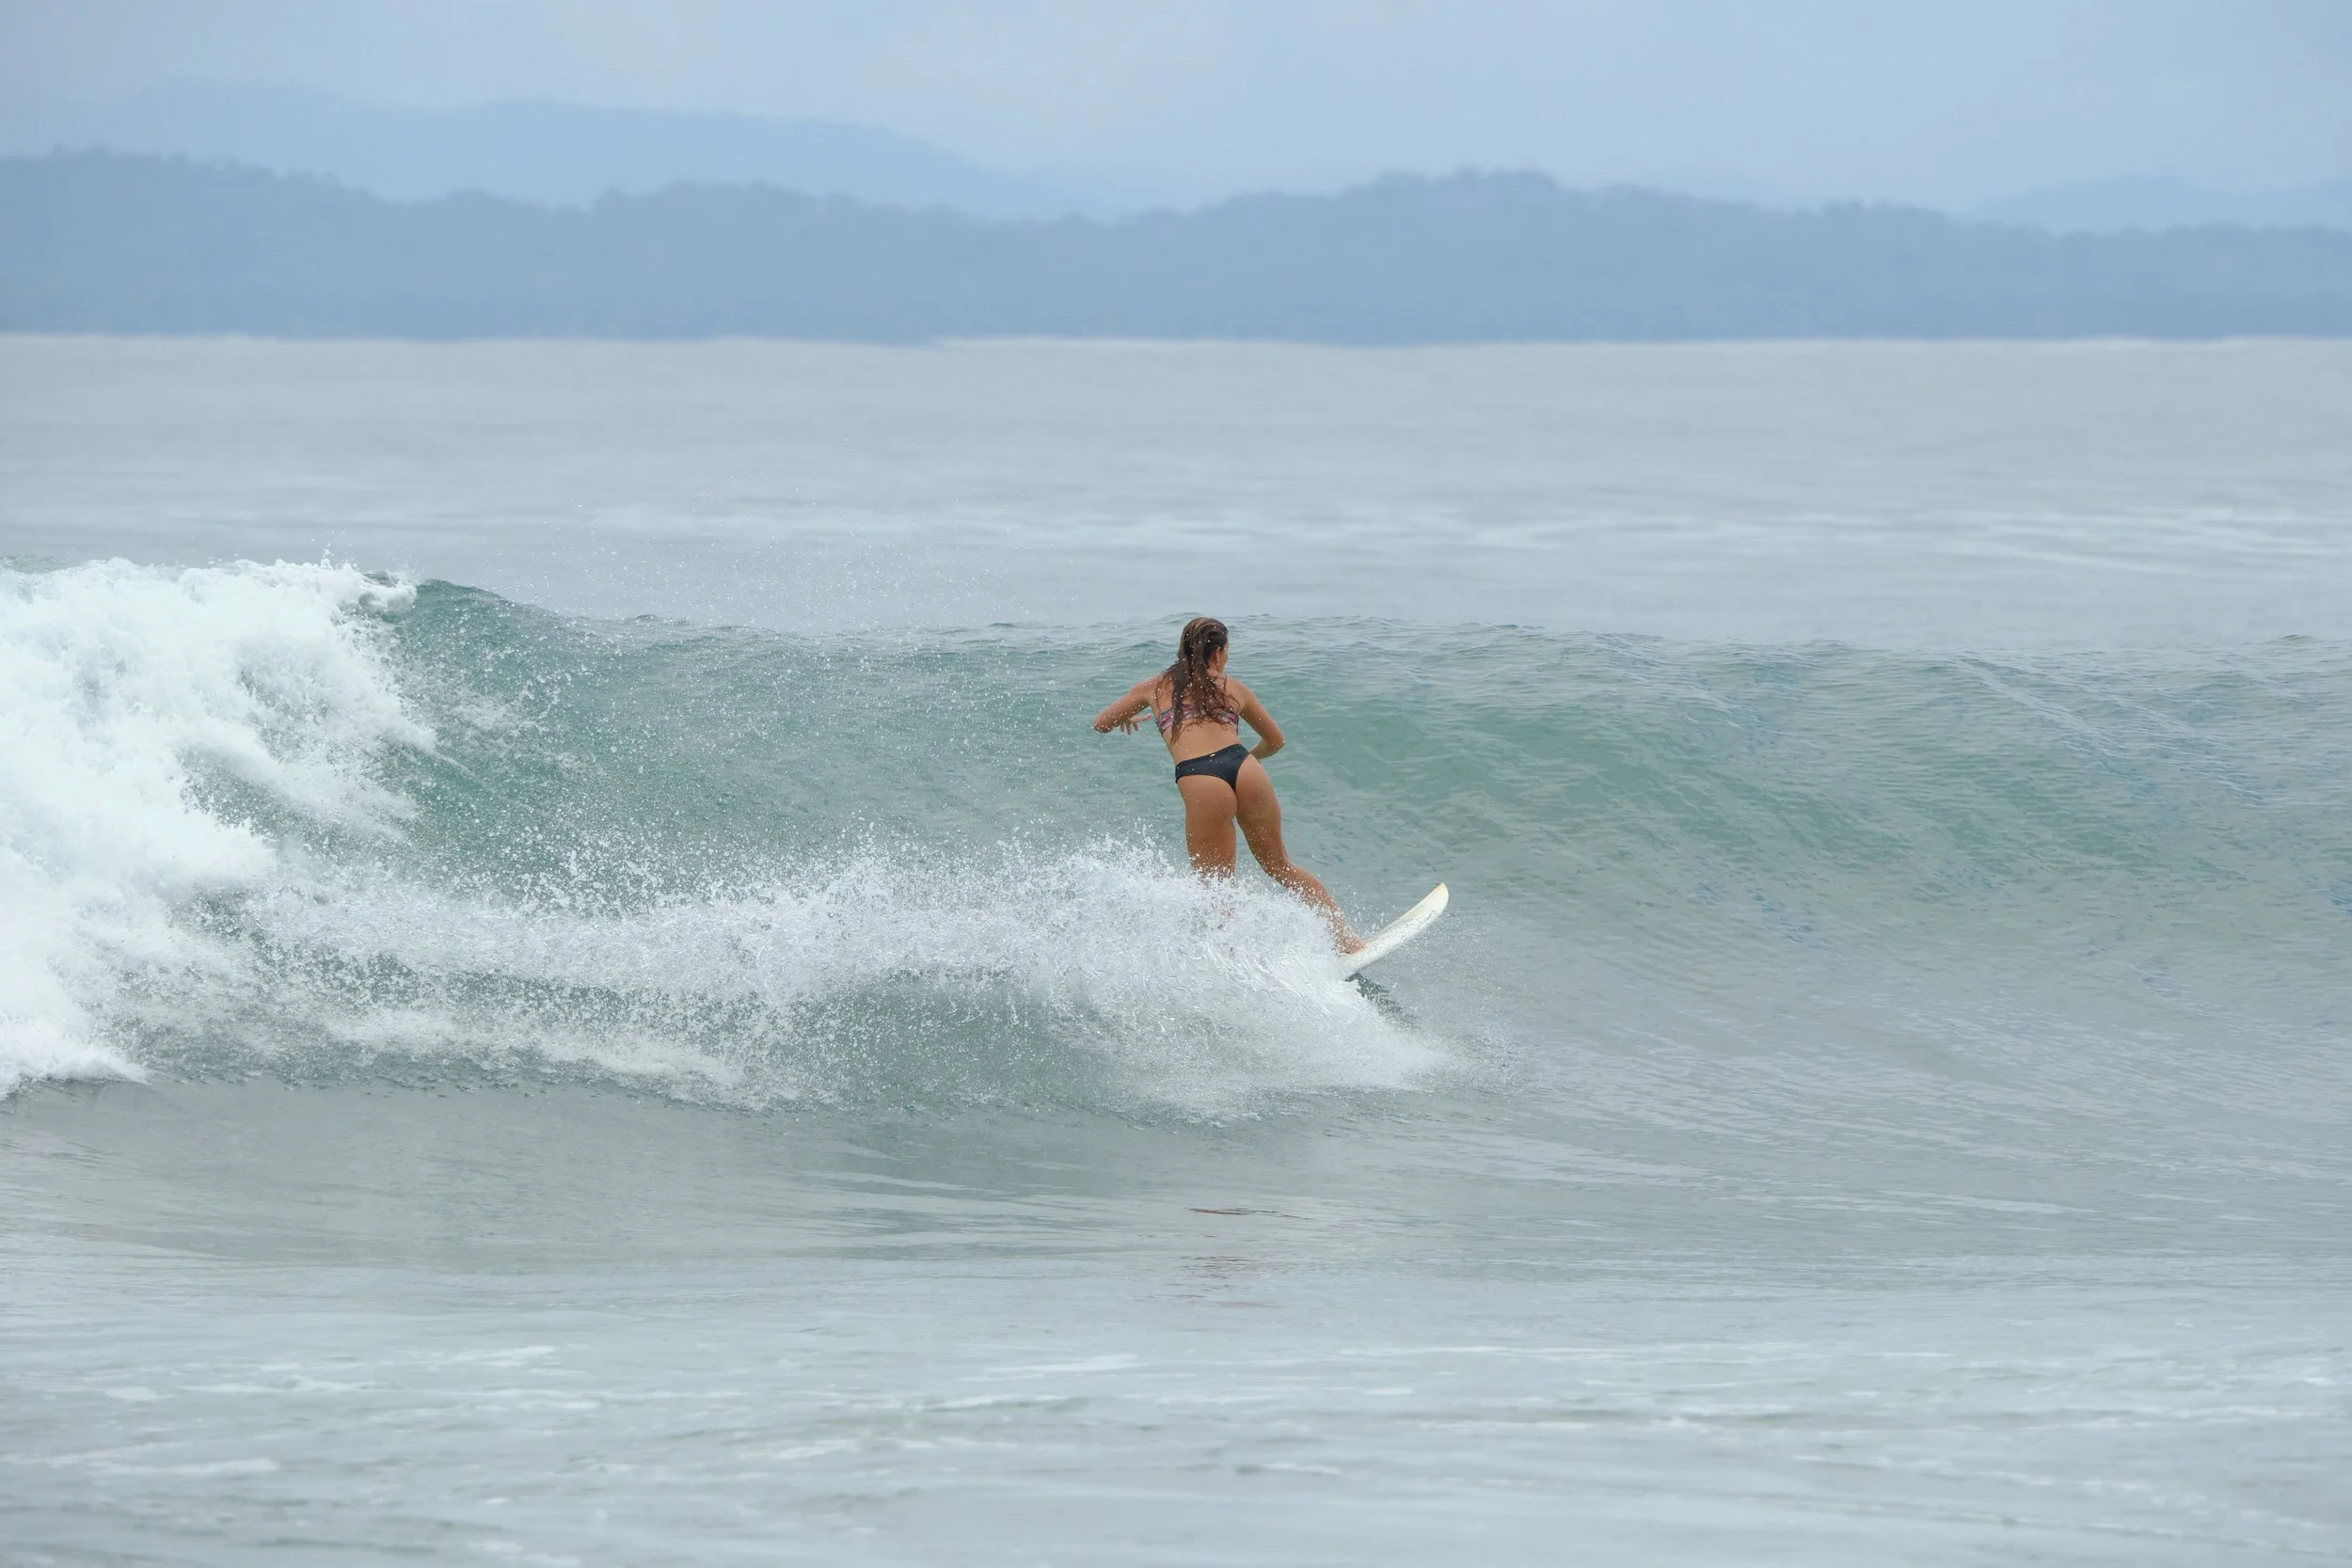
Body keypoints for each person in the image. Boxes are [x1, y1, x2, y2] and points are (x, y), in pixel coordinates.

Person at [1093, 617, 1363, 952]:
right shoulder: (1233, 688)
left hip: (1199, 778)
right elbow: (1275, 741)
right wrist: (1243, 762)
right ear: (1218, 653)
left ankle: (1232, 962)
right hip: (1244, 767)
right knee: (1281, 866)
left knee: (1215, 889)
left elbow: (1101, 723)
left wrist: (1127, 717)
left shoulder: (1153, 687)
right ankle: (1347, 941)